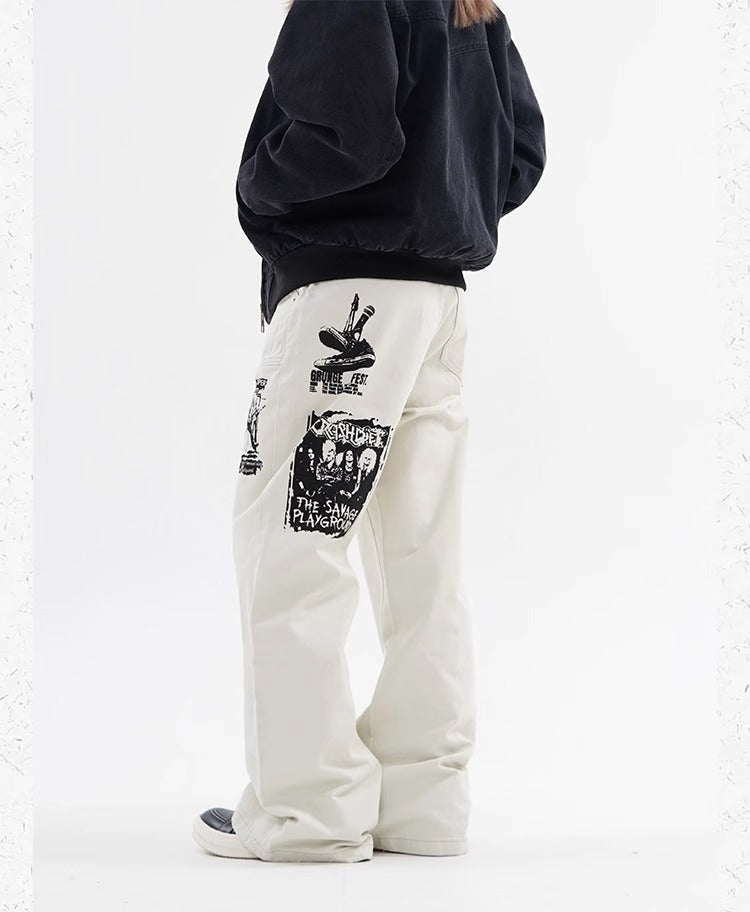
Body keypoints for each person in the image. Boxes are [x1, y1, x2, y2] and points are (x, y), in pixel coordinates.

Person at [193, 0, 545, 863]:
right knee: (419, 554)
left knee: (294, 547)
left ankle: (309, 812)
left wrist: (255, 190)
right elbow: (521, 155)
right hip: (437, 304)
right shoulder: (474, 6)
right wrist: (444, 199)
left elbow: (348, 134)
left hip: (344, 310)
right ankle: (424, 801)